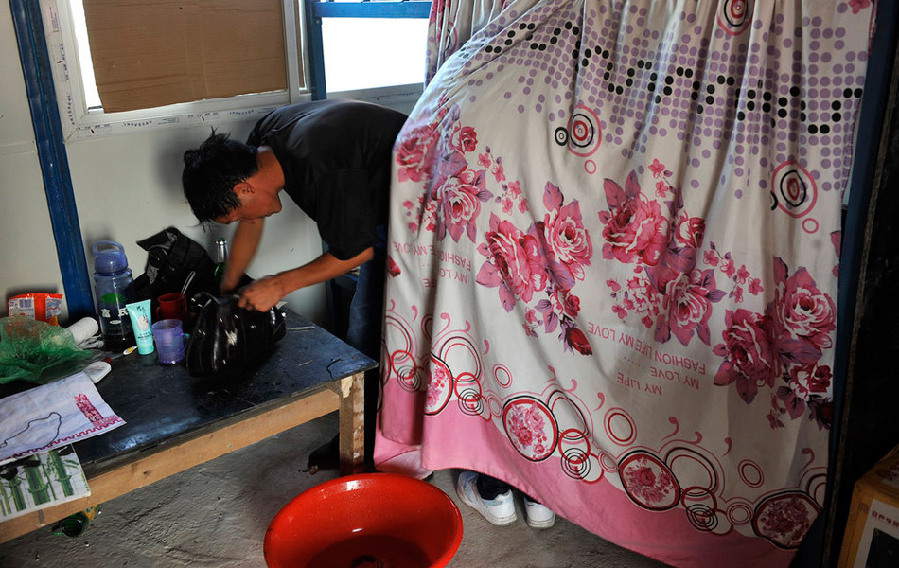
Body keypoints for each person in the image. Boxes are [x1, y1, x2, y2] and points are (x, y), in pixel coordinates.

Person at [182, 99, 408, 463]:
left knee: (369, 332)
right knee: (364, 328)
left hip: (430, 203)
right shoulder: (261, 146)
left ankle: (384, 446)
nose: (241, 219)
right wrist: (229, 288)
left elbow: (356, 253)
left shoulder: (324, 164)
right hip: (381, 200)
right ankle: (368, 435)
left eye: (233, 214)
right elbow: (252, 221)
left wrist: (279, 285)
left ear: (243, 189)